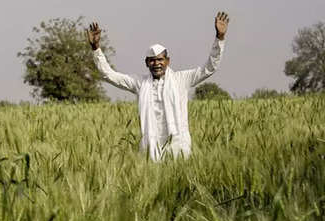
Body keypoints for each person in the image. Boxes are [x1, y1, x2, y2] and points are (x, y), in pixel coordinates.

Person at [86, 12, 230, 161]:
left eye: (160, 60)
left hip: (178, 147)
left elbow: (209, 68)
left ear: (167, 61)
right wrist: (96, 48)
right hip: (150, 149)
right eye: (152, 60)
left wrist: (219, 38)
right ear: (147, 63)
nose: (157, 64)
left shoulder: (181, 79)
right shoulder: (140, 83)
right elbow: (108, 75)